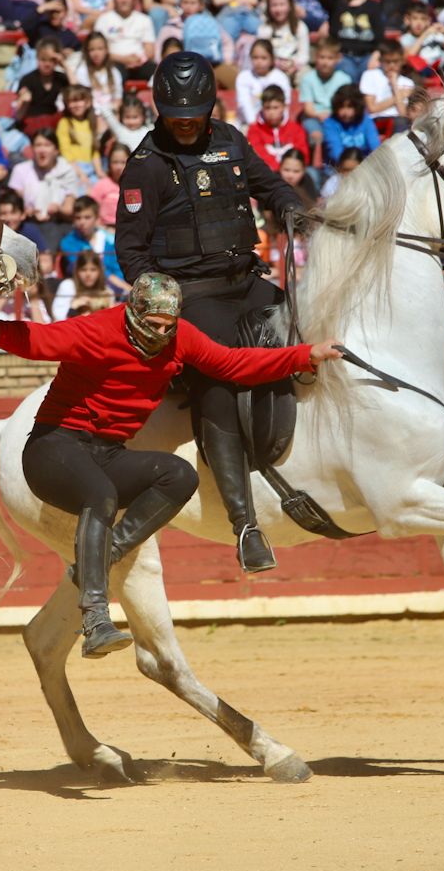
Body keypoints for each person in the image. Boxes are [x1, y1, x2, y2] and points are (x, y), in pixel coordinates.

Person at [0, 272, 340, 653]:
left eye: (167, 325)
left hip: (107, 451)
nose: (160, 333)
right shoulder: (98, 329)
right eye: (152, 324)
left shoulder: (181, 338)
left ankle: (107, 553)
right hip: (53, 446)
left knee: (179, 476)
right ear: (133, 313)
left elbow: (230, 364)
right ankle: (95, 620)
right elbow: (42, 340)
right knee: (101, 494)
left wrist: (306, 356)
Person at [114, 52, 315, 573]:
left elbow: (269, 185)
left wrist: (290, 205)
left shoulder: (229, 140)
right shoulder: (146, 164)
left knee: (313, 330)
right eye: (176, 113)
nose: (186, 121)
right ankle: (245, 524)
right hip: (191, 296)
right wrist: (161, 303)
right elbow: (132, 254)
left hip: (247, 280)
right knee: (218, 376)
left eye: (196, 111)